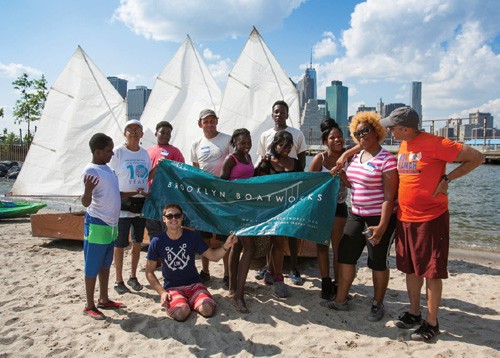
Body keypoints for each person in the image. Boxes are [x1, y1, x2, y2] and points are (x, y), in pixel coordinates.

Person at [380, 106, 484, 341]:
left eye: (392, 127)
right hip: (405, 217)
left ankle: (432, 322)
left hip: (431, 218)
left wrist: (448, 178)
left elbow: (477, 158)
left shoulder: (437, 143)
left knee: (431, 272)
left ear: (405, 128)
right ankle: (415, 313)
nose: (389, 131)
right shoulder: (404, 144)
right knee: (409, 268)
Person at [323, 111, 398, 323]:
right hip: (355, 215)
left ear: (377, 131)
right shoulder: (356, 156)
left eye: (366, 130)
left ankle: (377, 303)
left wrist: (382, 226)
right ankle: (340, 300)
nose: (362, 135)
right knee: (345, 255)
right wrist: (343, 174)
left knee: (377, 262)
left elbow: (390, 197)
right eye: (358, 132)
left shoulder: (387, 160)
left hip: (379, 218)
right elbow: (352, 185)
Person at [145, 204, 238, 321]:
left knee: (207, 310)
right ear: (164, 219)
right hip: (173, 287)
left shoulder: (192, 237)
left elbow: (213, 257)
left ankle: (191, 301)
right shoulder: (157, 241)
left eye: (177, 215)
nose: (174, 219)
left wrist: (226, 246)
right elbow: (149, 272)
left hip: (195, 284)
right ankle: (184, 302)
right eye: (169, 216)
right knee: (181, 313)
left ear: (182, 218)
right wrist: (162, 293)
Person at [256, 100, 307, 285]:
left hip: (292, 192)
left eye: (282, 112)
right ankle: (268, 266)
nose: (279, 115)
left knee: (292, 232)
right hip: (272, 197)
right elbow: (262, 164)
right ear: (273, 114)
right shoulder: (265, 135)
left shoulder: (298, 134)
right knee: (271, 233)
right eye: (276, 112)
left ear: (287, 114)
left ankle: (294, 267)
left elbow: (301, 163)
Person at [81, 133, 124, 320]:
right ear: (97, 151)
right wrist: (88, 190)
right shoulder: (91, 171)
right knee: (92, 265)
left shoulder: (108, 169)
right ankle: (89, 305)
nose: (112, 153)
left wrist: (135, 194)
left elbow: (114, 194)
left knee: (105, 264)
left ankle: (103, 298)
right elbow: (84, 202)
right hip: (97, 224)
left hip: (112, 225)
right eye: (108, 150)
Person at [255, 130, 302, 298]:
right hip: (270, 210)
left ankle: (272, 273)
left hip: (289, 209)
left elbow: (302, 184)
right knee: (276, 242)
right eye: (281, 145)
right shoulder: (267, 163)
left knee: (279, 242)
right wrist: (261, 163)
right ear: (274, 145)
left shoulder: (296, 163)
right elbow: (255, 183)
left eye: (288, 145)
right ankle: (277, 277)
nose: (285, 148)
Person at [109, 119, 152, 295]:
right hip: (122, 204)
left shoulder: (144, 154)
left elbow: (147, 175)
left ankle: (133, 276)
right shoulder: (117, 153)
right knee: (119, 244)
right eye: (130, 129)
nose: (134, 132)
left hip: (141, 204)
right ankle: (118, 280)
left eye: (137, 130)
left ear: (142, 134)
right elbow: (110, 175)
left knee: (137, 242)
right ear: (124, 133)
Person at [308, 118, 349, 299]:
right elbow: (308, 185)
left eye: (339, 136)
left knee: (339, 247)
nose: (337, 140)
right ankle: (325, 283)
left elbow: (352, 184)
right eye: (332, 138)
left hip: (339, 206)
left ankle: (339, 283)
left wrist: (341, 173)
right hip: (321, 208)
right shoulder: (320, 159)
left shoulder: (349, 157)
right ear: (326, 141)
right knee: (322, 246)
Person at [191, 109, 232, 286]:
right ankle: (205, 271)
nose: (209, 124)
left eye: (212, 121)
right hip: (204, 198)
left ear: (217, 121)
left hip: (223, 197)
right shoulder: (195, 144)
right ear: (200, 123)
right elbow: (195, 170)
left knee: (225, 236)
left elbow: (235, 162)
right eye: (206, 121)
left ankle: (227, 273)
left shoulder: (227, 139)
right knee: (204, 237)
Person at [220, 128, 255, 313]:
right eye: (242, 143)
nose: (246, 146)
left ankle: (233, 288)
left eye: (248, 142)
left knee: (238, 246)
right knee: (251, 248)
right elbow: (222, 184)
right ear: (234, 142)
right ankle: (239, 295)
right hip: (235, 209)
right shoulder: (230, 159)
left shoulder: (249, 158)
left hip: (248, 208)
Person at [146, 121, 185, 239]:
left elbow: (181, 172)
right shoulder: (147, 151)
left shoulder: (175, 151)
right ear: (156, 133)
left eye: (168, 133)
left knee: (167, 227)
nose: (165, 135)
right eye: (162, 132)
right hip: (150, 195)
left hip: (168, 196)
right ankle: (154, 252)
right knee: (153, 228)